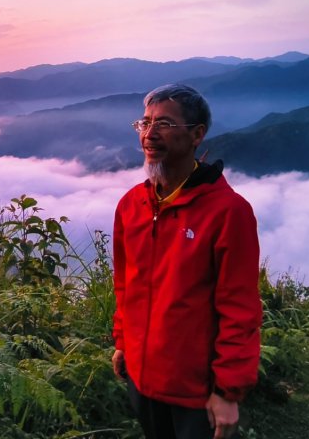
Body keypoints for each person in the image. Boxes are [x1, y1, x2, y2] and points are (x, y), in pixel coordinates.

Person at [111, 84, 261, 439]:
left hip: (195, 392)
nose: (149, 134)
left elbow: (239, 307)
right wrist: (122, 341)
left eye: (164, 124)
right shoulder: (132, 205)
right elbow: (125, 283)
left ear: (197, 135)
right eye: (144, 123)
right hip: (141, 378)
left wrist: (227, 391)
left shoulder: (228, 213)